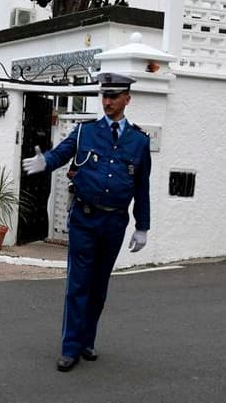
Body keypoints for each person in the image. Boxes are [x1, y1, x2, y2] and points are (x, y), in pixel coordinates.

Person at [22, 72, 151, 373]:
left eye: (113, 96)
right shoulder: (85, 132)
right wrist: (46, 162)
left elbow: (141, 187)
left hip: (115, 222)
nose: (107, 101)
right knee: (78, 284)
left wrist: (142, 226)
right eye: (104, 96)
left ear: (127, 99)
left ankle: (87, 341)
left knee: (98, 286)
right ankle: (70, 349)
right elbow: (62, 153)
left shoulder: (138, 140)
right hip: (84, 218)